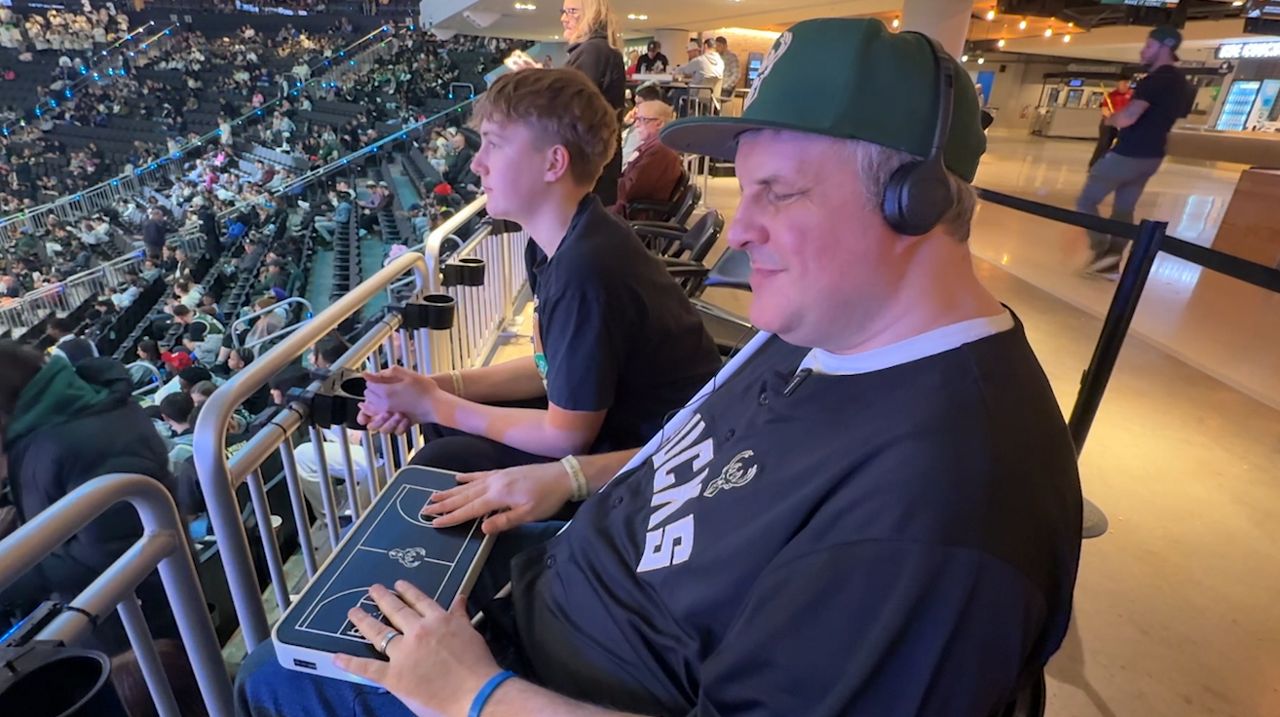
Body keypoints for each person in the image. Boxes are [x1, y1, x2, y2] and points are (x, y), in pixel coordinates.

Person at [236, 21, 1080, 716]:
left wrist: (471, 693)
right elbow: (695, 457)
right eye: (742, 191)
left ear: (915, 201)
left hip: (532, 679)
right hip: (550, 581)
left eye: (779, 193)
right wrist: (564, 481)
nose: (741, 230)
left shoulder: (941, 509)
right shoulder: (819, 330)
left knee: (269, 679)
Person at [357, 67, 720, 475]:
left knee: (443, 456)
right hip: (617, 418)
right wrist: (436, 388)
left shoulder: (586, 269)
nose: (477, 164)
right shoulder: (562, 242)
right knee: (443, 424)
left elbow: (566, 436)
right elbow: (549, 366)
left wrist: (434, 404)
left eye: (494, 145)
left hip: (652, 455)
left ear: (554, 163)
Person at [0, 343, 176, 654]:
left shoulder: (78, 439)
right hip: (117, 618)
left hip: (142, 632)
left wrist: (13, 567)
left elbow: (112, 555)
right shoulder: (55, 424)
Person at [1075, 26, 1191, 279]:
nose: (1143, 50)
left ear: (1165, 48)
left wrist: (1110, 119)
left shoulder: (1157, 80)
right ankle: (1111, 264)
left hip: (1128, 153)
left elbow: (1128, 118)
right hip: (1152, 156)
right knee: (1124, 207)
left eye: (1149, 46)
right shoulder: (1181, 82)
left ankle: (1103, 252)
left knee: (1086, 201)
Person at [560, 0, 626, 207]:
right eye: (563, 12)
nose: (564, 18)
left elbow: (569, 108)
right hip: (596, 163)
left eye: (572, 12)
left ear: (593, 15)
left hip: (587, 166)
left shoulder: (592, 52)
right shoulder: (600, 50)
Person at [612, 100, 683, 218]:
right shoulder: (654, 146)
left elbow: (630, 190)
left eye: (641, 119)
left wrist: (602, 187)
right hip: (628, 210)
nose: (636, 125)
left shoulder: (660, 151)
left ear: (659, 124)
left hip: (631, 216)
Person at [1088, 78, 1132, 169]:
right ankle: (1095, 165)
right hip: (1109, 123)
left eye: (1125, 84)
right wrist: (1109, 115)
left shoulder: (1132, 95)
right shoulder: (1110, 95)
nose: (1123, 86)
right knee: (1104, 143)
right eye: (1121, 84)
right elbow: (1104, 109)